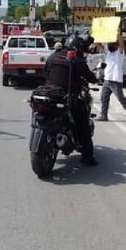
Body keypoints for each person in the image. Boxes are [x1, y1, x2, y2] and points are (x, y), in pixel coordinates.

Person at [44, 35, 100, 166]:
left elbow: (45, 72)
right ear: (78, 48)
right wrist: (96, 78)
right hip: (67, 98)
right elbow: (90, 77)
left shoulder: (53, 56)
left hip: (50, 95)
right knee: (83, 124)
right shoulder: (76, 60)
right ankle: (88, 157)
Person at [97, 32, 126, 124]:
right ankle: (104, 115)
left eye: (112, 44)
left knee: (121, 99)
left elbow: (121, 44)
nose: (109, 45)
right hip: (107, 79)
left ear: (116, 45)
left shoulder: (120, 53)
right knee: (104, 97)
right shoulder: (108, 52)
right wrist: (96, 36)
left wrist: (118, 34)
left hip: (116, 80)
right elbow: (99, 46)